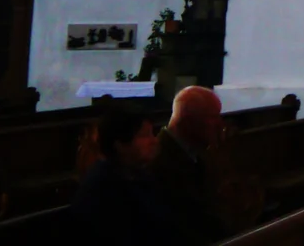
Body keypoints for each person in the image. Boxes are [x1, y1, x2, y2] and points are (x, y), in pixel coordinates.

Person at [70, 106, 170, 244]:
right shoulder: (103, 190)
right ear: (120, 145)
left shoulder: (139, 174)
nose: (155, 141)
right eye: (144, 135)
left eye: (152, 134)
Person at [152, 86, 230, 245]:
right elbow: (188, 220)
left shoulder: (193, 150)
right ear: (188, 121)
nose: (220, 125)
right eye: (213, 117)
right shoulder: (161, 158)